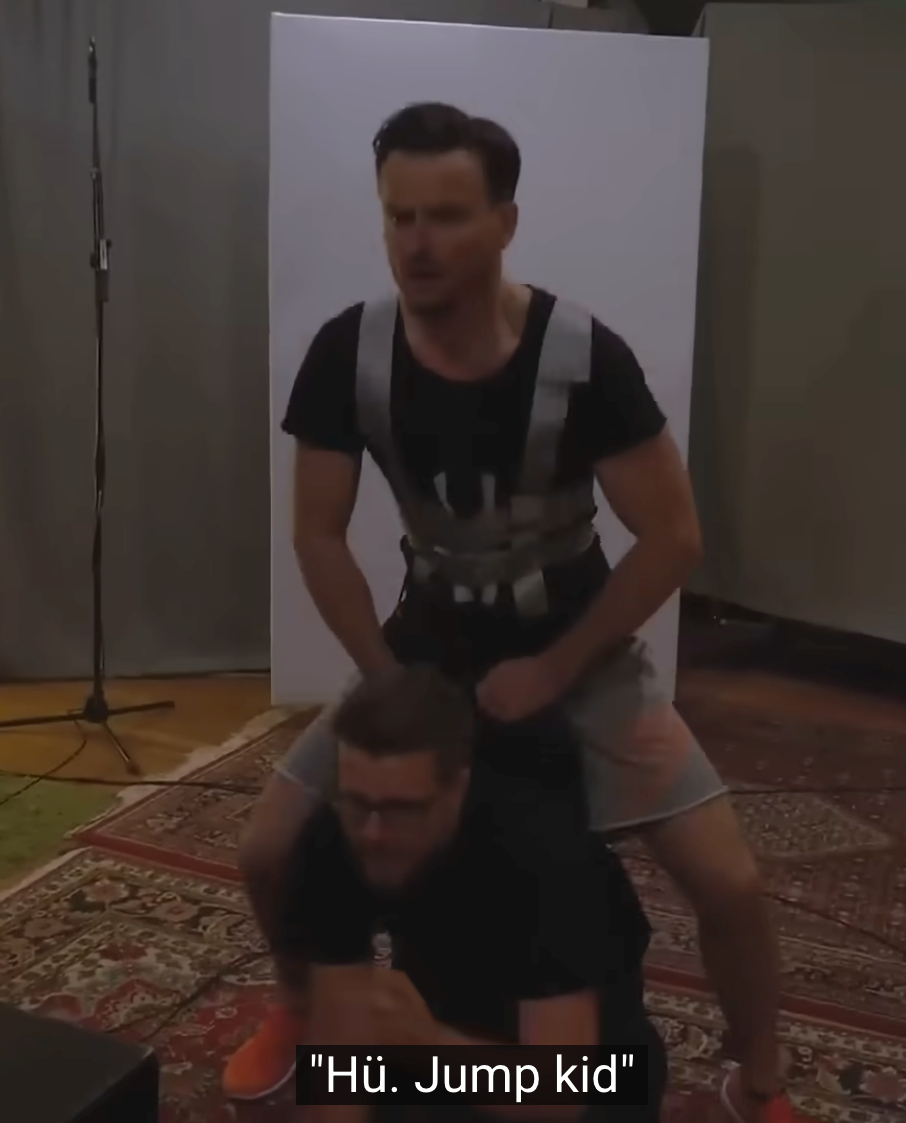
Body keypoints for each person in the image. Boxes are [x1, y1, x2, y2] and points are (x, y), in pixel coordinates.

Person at [226, 103, 797, 1123]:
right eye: (399, 216)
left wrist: (557, 665)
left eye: (446, 216)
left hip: (577, 649)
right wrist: (383, 674)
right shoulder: (347, 350)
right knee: (267, 850)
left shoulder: (584, 356)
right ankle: (305, 1011)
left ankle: (760, 1080)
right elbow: (317, 533)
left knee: (731, 884)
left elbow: (673, 537)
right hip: (424, 648)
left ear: (505, 222)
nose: (417, 242)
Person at [279, 663, 667, 1123]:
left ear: (457, 788)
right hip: (444, 1035)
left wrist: (426, 1043)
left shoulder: (548, 864)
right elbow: (338, 1048)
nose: (373, 833)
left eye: (402, 810)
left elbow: (559, 1096)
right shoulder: (335, 836)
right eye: (358, 804)